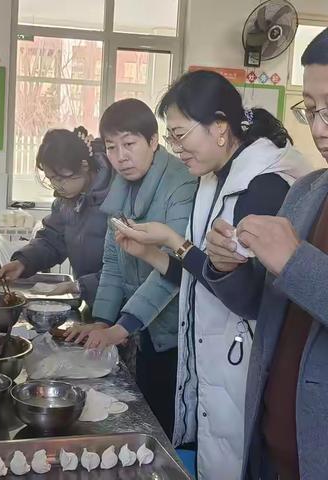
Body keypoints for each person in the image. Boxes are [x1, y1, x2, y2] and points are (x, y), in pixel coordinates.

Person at [111, 71, 312, 479]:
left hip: (242, 363)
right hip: (212, 360)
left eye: (181, 135)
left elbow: (250, 299)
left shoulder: (265, 186)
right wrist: (159, 248)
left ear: (220, 127)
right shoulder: (211, 178)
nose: (177, 150)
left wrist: (178, 243)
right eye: (172, 138)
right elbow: (201, 276)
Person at [204, 28, 328, 480]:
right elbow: (265, 306)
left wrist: (296, 261)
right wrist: (226, 266)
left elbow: (299, 272)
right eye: (311, 110)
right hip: (273, 446)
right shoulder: (307, 191)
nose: (316, 129)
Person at [65, 99, 197, 437]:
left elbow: (172, 272)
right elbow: (114, 263)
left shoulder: (181, 185)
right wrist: (101, 321)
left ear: (154, 141)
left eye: (129, 144)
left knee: (165, 429)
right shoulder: (121, 188)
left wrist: (119, 330)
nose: (120, 156)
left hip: (177, 334)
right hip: (142, 330)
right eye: (111, 146)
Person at [0, 126, 112, 308]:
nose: (56, 186)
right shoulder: (65, 201)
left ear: (84, 166)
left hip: (122, 303)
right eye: (50, 178)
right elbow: (52, 240)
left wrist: (78, 286)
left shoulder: (115, 196)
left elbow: (122, 269)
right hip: (93, 301)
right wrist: (23, 262)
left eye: (60, 178)